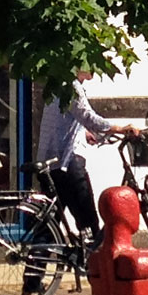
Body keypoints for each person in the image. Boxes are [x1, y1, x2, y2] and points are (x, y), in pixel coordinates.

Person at [35, 75, 121, 235]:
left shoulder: (57, 82)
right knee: (88, 220)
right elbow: (88, 116)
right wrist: (118, 128)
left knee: (51, 221)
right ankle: (89, 256)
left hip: (52, 159)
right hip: (67, 161)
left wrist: (82, 133)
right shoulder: (71, 86)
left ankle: (36, 258)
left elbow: (65, 119)